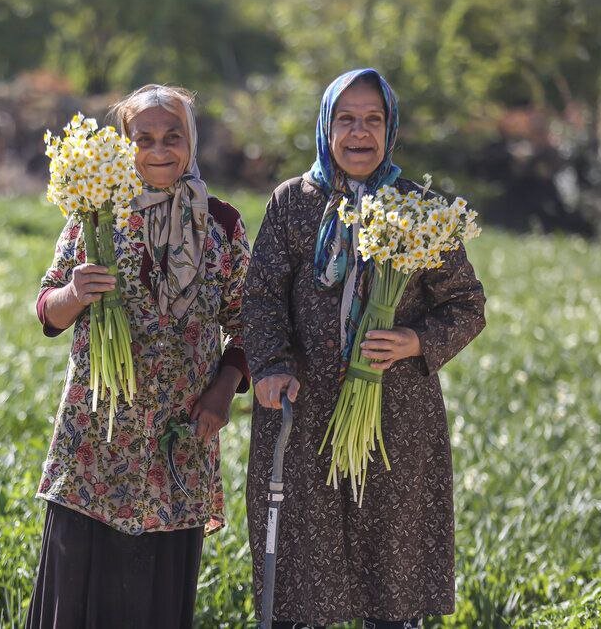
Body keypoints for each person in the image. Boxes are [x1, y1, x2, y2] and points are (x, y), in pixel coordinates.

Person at [242, 69, 486, 628]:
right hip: (302, 410)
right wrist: (272, 365)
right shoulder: (293, 203)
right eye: (346, 119)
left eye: (373, 119)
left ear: (390, 128)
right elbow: (261, 297)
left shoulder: (419, 210)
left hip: (396, 417)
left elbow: (467, 305)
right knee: (301, 581)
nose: (360, 132)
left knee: (392, 577)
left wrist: (415, 340)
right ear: (326, 127)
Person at [26, 84, 252, 629]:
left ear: (192, 142)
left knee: (155, 598)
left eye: (173, 136)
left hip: (180, 437)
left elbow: (248, 323)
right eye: (143, 139)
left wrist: (222, 392)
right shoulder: (95, 212)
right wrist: (76, 293)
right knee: (79, 594)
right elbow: (48, 311)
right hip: (96, 439)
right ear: (123, 145)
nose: (158, 150)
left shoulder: (221, 224)